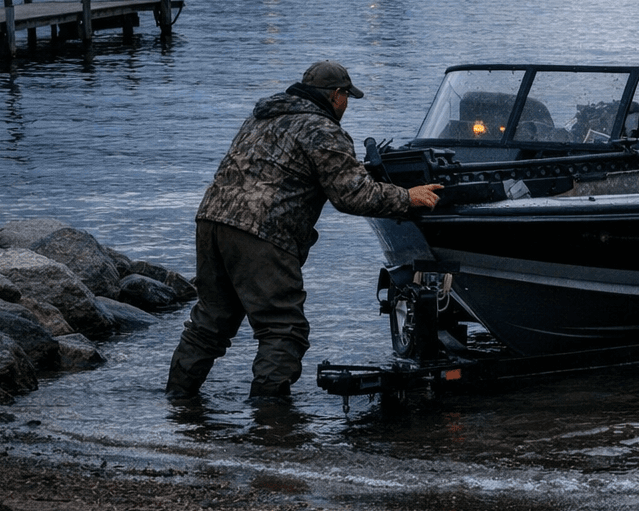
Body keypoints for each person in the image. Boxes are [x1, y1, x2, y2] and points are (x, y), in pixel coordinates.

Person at [165, 60, 442, 401]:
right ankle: (269, 420)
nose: (346, 106)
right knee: (284, 331)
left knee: (209, 323)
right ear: (335, 95)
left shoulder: (261, 118)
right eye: (347, 97)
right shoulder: (323, 130)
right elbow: (352, 194)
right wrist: (407, 197)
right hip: (262, 232)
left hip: (211, 221)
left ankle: (176, 403)